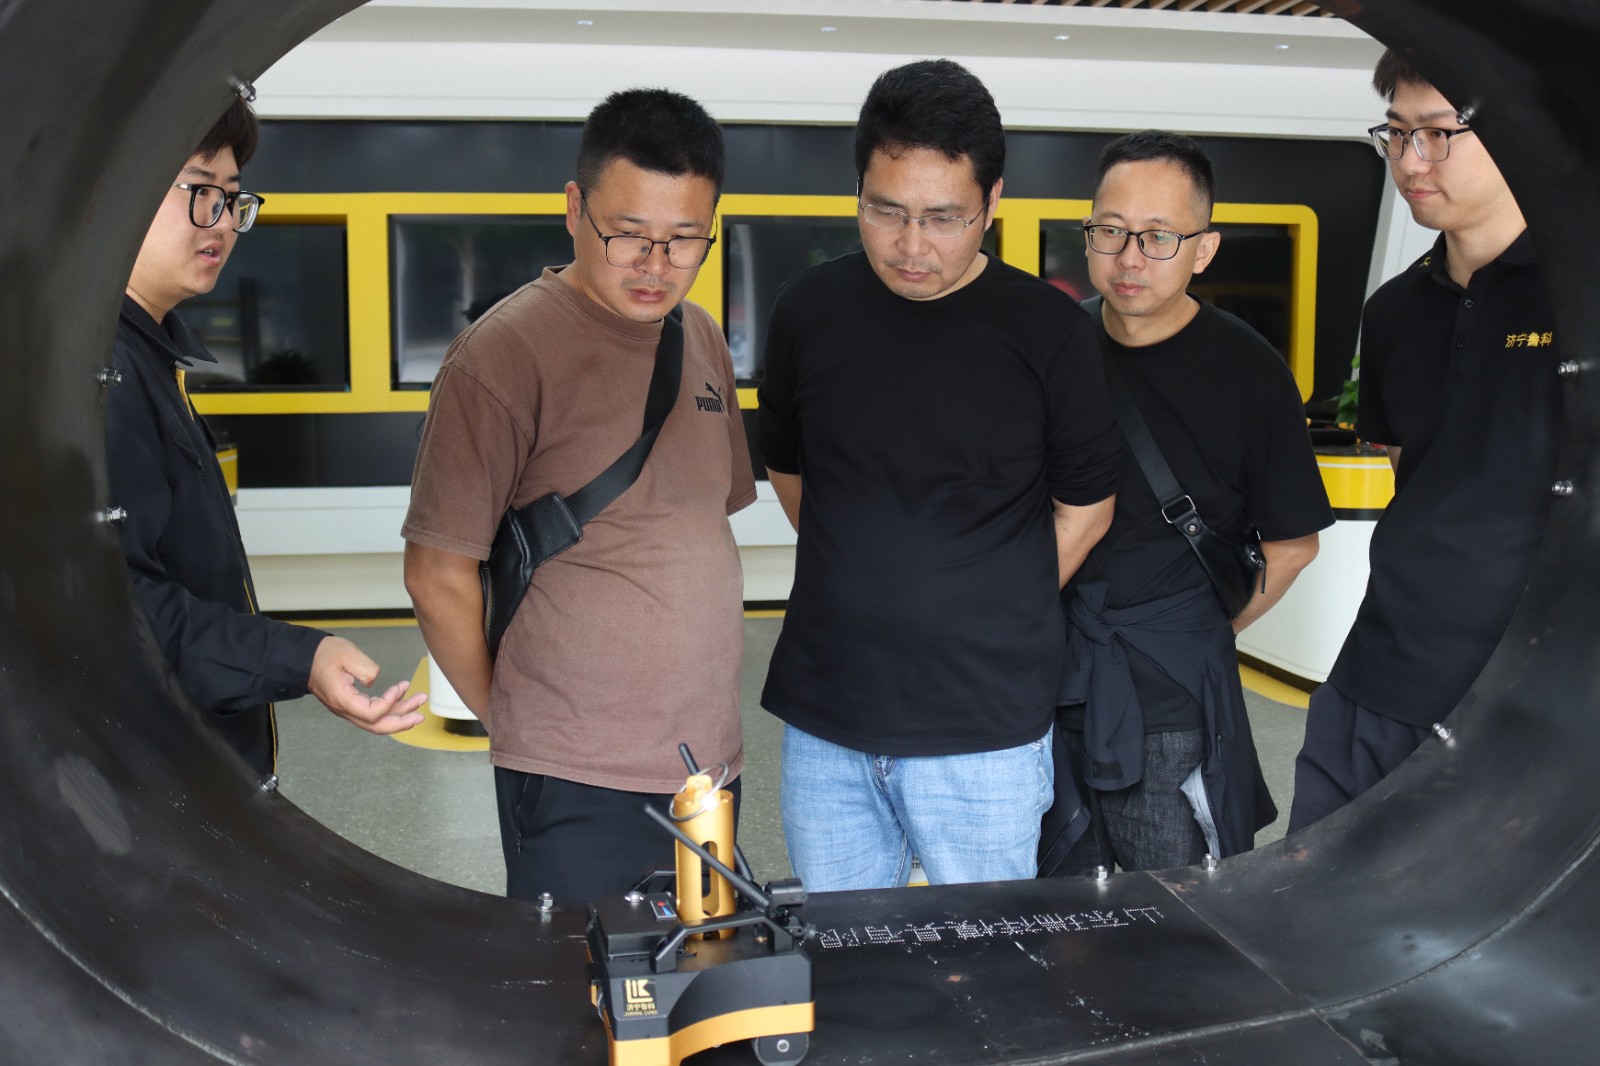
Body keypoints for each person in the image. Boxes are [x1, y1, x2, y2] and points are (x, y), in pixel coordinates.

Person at [757, 59, 1122, 892]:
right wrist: (869, 571)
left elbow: (1087, 510)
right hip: (827, 718)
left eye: (944, 218)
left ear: (992, 203)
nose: (912, 245)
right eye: (885, 211)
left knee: (985, 958)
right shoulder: (808, 311)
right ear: (858, 190)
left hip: (984, 729)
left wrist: (989, 600)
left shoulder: (1049, 331)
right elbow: (791, 471)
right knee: (842, 953)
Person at [402, 88, 755, 904]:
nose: (656, 265)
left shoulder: (700, 336)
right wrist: (512, 723)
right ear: (573, 208)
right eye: (628, 234)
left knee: (705, 972)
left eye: (685, 239)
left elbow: (699, 525)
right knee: (576, 980)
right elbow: (435, 575)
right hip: (572, 776)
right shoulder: (502, 355)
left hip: (707, 767)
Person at [1039, 131, 1333, 876]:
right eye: (1110, 231)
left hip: (1170, 701)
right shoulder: (1051, 348)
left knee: (1177, 907)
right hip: (1044, 680)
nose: (1129, 257)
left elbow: (1294, 543)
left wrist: (1196, 636)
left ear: (1204, 249)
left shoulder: (1251, 372)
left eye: (1159, 236)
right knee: (1051, 906)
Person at [106, 99, 426, 780]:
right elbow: (115, 608)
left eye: (232, 198)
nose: (224, 222)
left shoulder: (150, 358)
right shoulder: (107, 374)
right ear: (121, 190)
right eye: (201, 192)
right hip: (151, 780)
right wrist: (300, 657)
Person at [1286, 51, 1563, 833]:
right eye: (1397, 134)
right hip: (1378, 677)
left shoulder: (1577, 295)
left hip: (1535, 697)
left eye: (1439, 134)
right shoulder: (1394, 311)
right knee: (1313, 887)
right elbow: (1413, 475)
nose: (1410, 163)